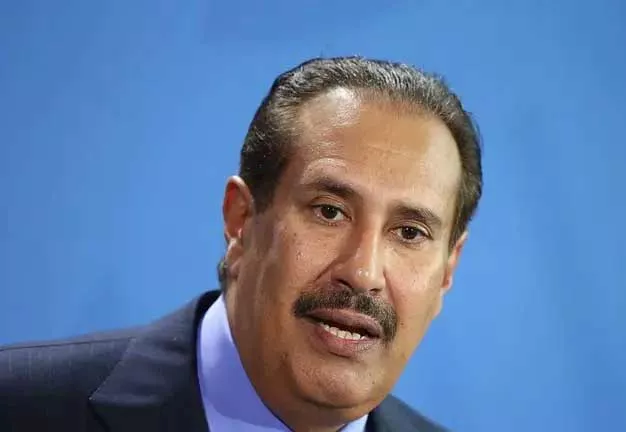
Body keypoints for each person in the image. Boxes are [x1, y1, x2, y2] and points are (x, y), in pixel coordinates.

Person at [0, 56, 483, 432]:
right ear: (242, 221)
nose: (363, 273)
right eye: (329, 211)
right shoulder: (18, 405)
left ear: (447, 271)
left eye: (410, 233)